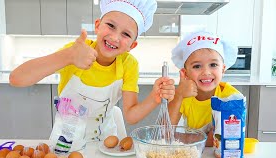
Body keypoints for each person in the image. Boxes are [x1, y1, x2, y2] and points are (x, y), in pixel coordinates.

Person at [9, 0, 175, 149]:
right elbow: (16, 78)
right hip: (65, 145)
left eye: (126, 34)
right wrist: (68, 56)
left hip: (106, 145)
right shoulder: (75, 51)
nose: (115, 37)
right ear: (97, 25)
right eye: (111, 25)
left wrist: (155, 96)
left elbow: (131, 116)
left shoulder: (128, 64)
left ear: (133, 44)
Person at [168, 31, 241, 147]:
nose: (206, 72)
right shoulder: (184, 95)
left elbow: (216, 140)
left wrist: (183, 137)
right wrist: (178, 95)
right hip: (192, 155)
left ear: (223, 69)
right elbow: (165, 131)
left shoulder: (230, 97)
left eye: (213, 65)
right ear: (185, 73)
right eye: (197, 66)